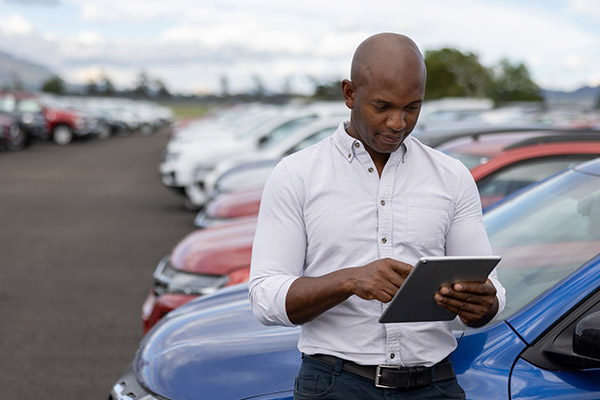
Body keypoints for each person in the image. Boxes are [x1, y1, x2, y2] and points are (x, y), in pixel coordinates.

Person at [249, 32, 506, 400]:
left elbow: (490, 296)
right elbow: (265, 297)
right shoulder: (297, 175)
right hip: (335, 384)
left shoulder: (452, 177)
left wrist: (483, 304)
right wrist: (350, 280)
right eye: (382, 106)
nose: (398, 123)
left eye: (412, 107)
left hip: (434, 385)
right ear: (349, 94)